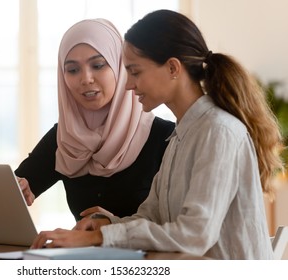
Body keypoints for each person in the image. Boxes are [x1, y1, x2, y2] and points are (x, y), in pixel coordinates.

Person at [30, 10, 284, 260]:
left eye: (135, 71)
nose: (128, 84)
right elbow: (151, 216)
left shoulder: (218, 131)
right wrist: (106, 225)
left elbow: (196, 235)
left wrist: (98, 238)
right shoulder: (180, 135)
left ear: (173, 68)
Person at [14, 18, 174, 221]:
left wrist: (113, 227)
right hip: (85, 254)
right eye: (72, 70)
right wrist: (17, 189)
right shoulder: (65, 137)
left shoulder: (166, 138)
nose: (86, 79)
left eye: (98, 65)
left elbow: (179, 225)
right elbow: (17, 187)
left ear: (121, 67)